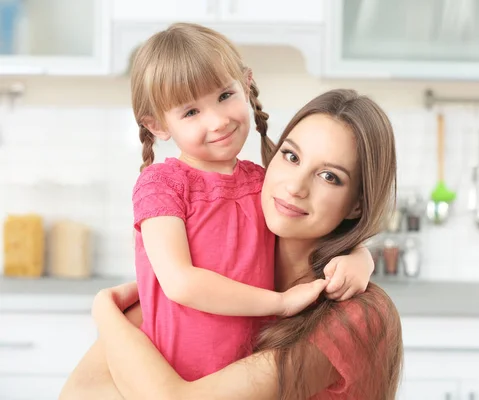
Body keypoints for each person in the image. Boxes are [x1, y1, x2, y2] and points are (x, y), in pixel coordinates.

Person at [63, 88, 403, 400]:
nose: (295, 186)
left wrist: (106, 313)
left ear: (358, 204)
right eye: (291, 156)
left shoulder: (355, 316)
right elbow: (79, 392)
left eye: (330, 176)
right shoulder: (220, 273)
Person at [100, 21, 377, 384]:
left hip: (244, 377)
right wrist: (280, 303)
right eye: (190, 112)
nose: (217, 121)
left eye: (224, 96)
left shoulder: (261, 183)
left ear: (246, 85)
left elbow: (301, 247)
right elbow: (180, 283)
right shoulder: (161, 185)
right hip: (173, 379)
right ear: (157, 126)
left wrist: (361, 258)